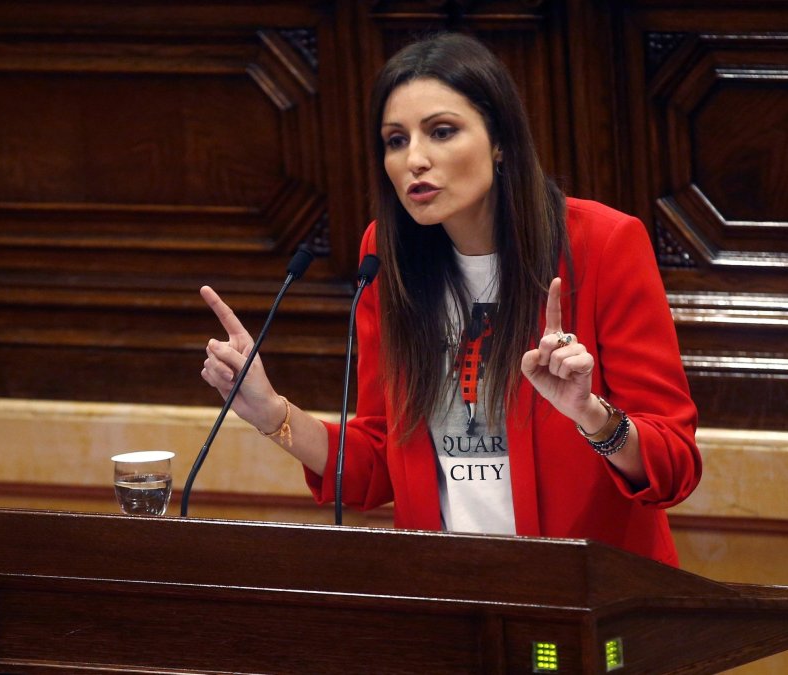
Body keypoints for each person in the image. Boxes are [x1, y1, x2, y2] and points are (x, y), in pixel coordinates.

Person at [200, 32, 700, 566]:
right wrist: (272, 413)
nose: (415, 159)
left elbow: (673, 466)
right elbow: (377, 462)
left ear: (500, 140)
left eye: (441, 132)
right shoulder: (387, 256)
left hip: (583, 594)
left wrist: (592, 416)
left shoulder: (601, 244)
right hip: (451, 598)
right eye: (395, 140)